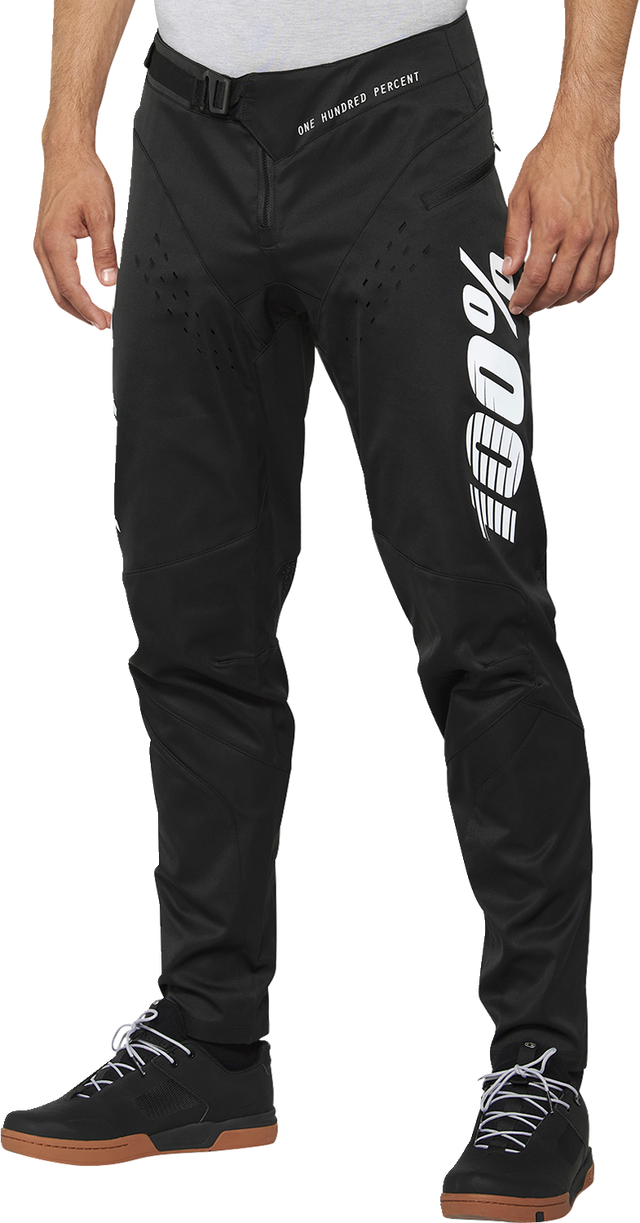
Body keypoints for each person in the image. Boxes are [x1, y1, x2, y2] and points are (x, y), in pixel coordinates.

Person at [1, 0, 633, 1207]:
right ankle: (208, 1040)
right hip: (185, 139)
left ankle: (538, 1066)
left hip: (401, 136)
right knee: (188, 622)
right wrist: (65, 131)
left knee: (482, 620)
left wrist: (583, 124)